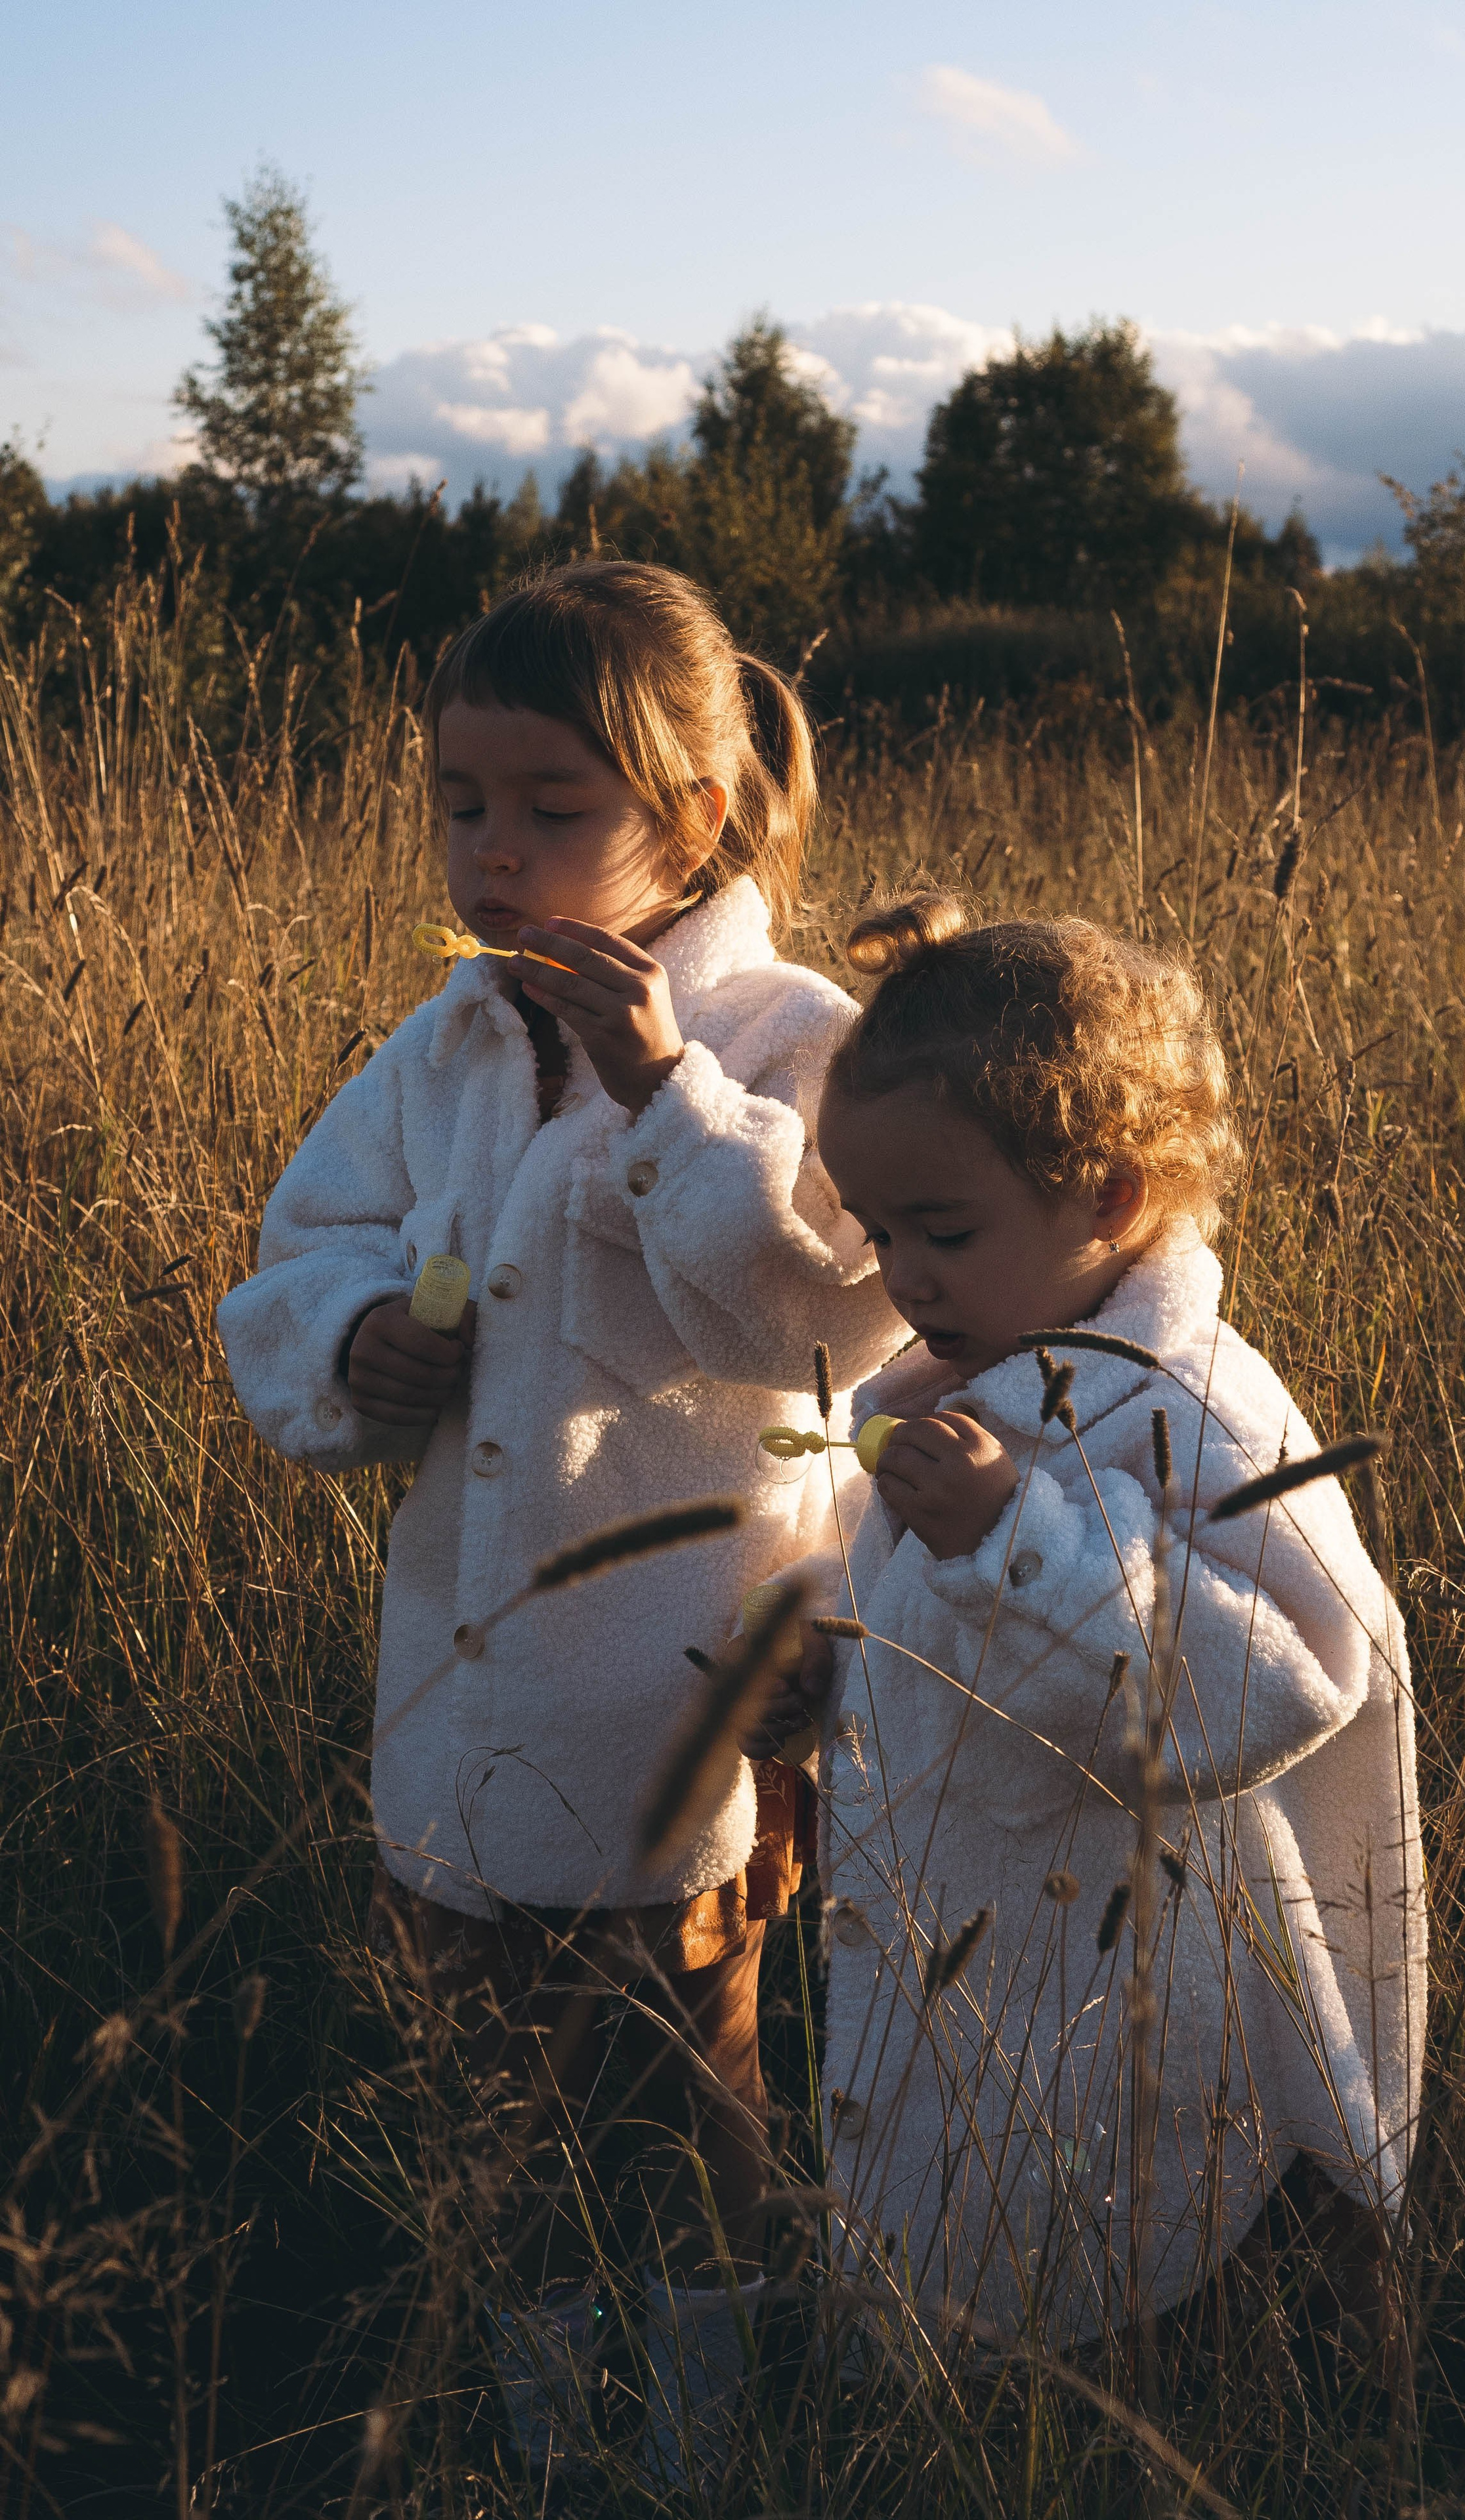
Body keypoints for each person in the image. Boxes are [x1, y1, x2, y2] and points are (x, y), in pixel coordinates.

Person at [215, 562, 901, 2489]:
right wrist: (354, 1342)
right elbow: (307, 1242)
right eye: (461, 802)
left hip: (685, 1678)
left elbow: (829, 1315)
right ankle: (536, 2420)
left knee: (691, 2060)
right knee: (487, 2085)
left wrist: (667, 1095)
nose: (492, 848)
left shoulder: (789, 1040)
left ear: (691, 819)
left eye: (551, 807)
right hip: (464, 1661)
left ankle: (696, 2422)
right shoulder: (446, 1042)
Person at [759, 889, 1425, 2377]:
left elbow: (1295, 1682)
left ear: (1111, 1196)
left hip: (1143, 2010)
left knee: (1140, 2305)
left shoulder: (1190, 1412)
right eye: (876, 1233)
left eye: (942, 1230)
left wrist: (1022, 1545)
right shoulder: (944, 1387)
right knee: (979, 2253)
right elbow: (895, 1601)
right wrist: (812, 1666)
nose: (900, 1278)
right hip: (975, 1972)